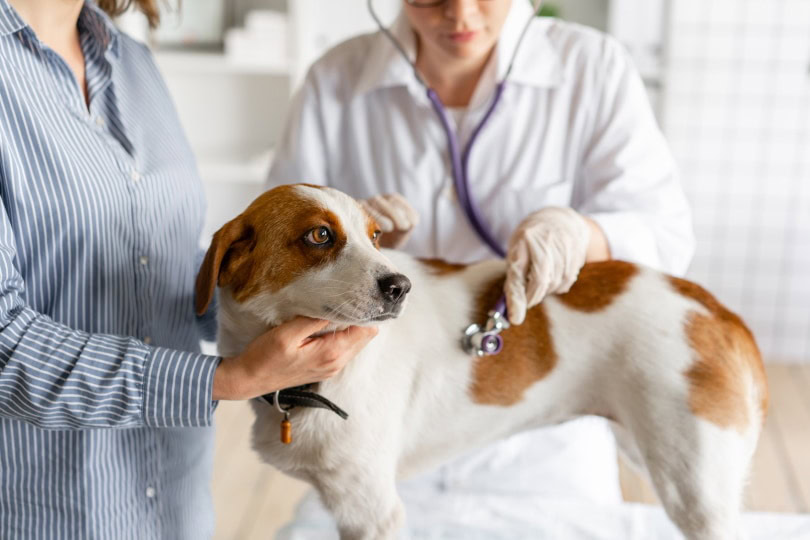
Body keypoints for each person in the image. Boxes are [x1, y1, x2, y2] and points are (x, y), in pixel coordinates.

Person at [265, 0, 694, 535]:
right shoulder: (337, 79)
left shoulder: (592, 67)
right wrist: (355, 250)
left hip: (540, 431)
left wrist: (581, 233)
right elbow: (273, 247)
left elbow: (667, 233)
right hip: (376, 428)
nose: (460, 15)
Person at [0, 1, 377, 538]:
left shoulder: (129, 61)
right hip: (51, 508)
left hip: (176, 497)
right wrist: (228, 379)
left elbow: (161, 263)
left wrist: (311, 278)